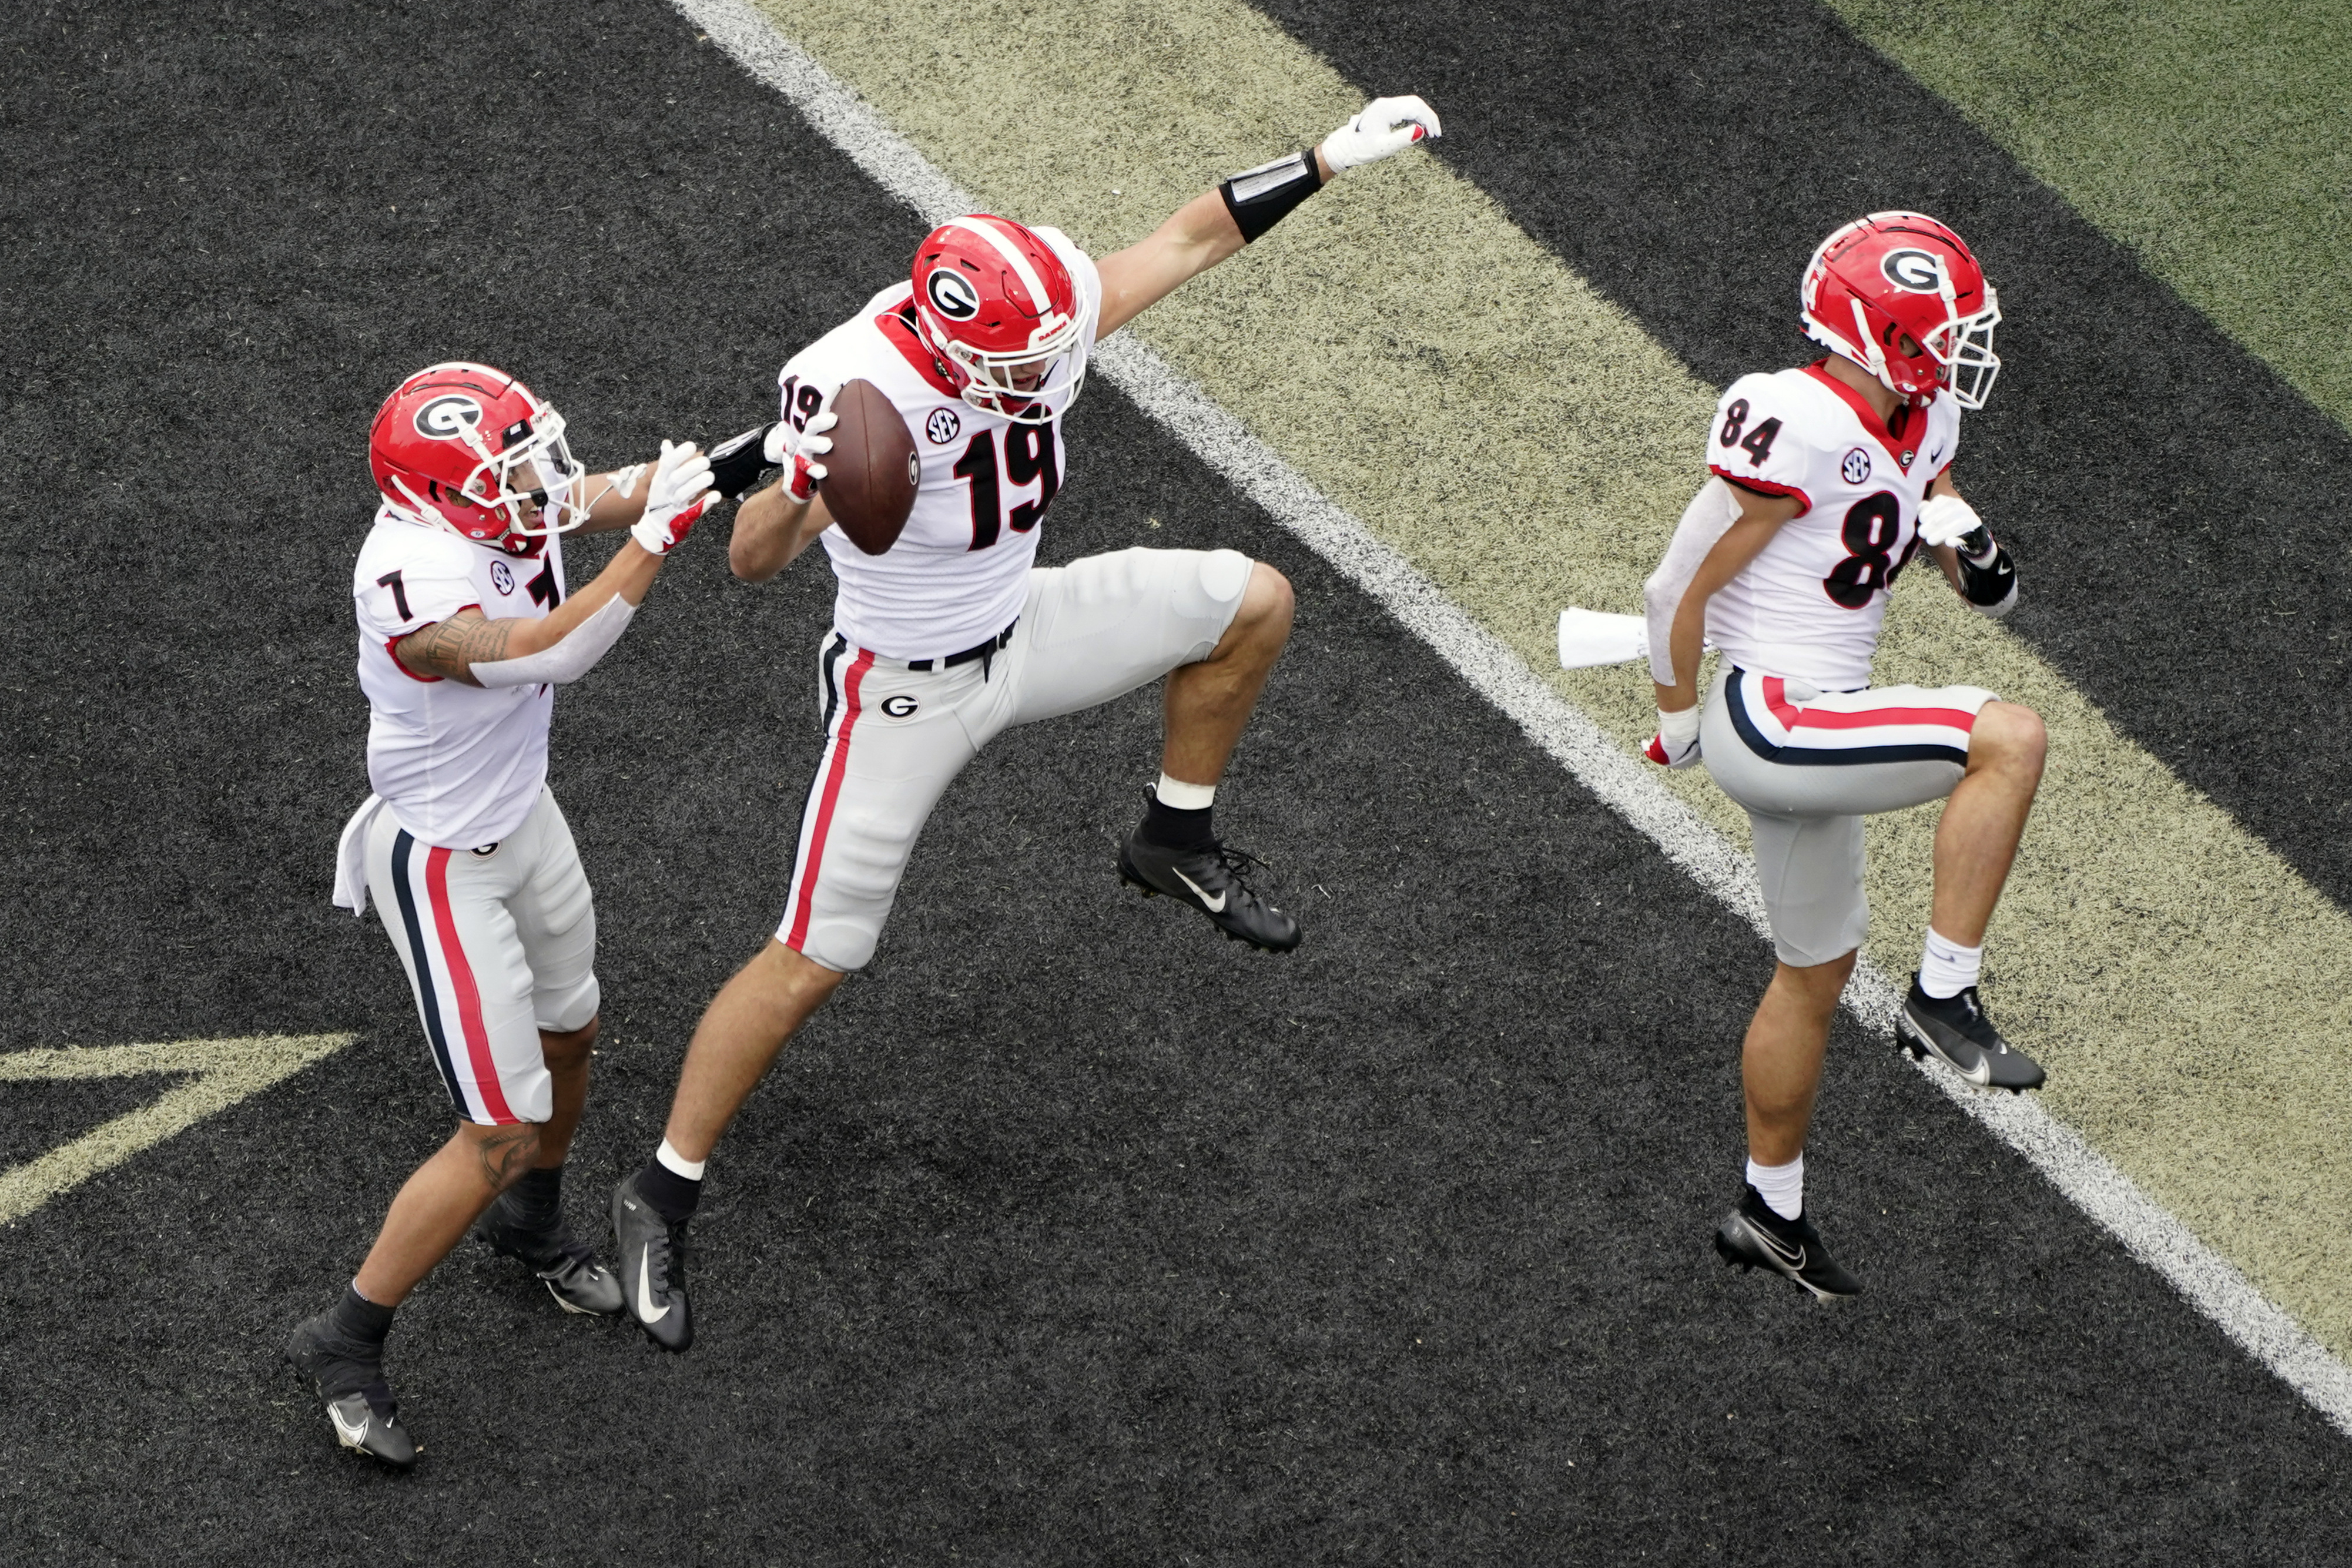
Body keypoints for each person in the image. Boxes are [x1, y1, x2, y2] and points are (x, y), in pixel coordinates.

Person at [608, 97, 1445, 1352]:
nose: (1053, 370)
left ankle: (1173, 836)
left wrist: (1326, 157)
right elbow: (751, 560)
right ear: (953, 354)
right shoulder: (862, 395)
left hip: (1024, 626)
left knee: (1252, 604)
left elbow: (1185, 241)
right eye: (1024, 360)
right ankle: (661, 1185)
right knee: (815, 954)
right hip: (905, 684)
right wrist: (804, 480)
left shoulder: (1021, 316)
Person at [286, 362, 719, 1465]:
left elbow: (595, 492)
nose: (534, 485)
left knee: (574, 1031)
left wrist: (727, 464)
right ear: (436, 495)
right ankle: (344, 1340)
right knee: (497, 1130)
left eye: (528, 458)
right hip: (439, 859)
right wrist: (656, 541)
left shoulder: (490, 493)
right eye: (509, 470)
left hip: (525, 818)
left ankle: (531, 1229)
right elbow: (550, 650)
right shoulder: (409, 583)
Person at [1639, 212, 2049, 1300]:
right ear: (1882, 331)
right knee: (2007, 736)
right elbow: (1673, 591)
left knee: (1811, 974)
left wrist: (1975, 548)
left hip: (1815, 718)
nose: (1958, 350)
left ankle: (1768, 1213)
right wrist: (1678, 719)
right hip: (1772, 714)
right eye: (1942, 330)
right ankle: (1940, 998)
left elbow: (1983, 581)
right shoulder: (1798, 415)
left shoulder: (1922, 422)